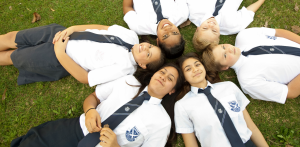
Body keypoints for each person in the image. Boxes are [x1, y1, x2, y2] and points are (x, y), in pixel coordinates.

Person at [11, 63, 184, 147]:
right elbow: (93, 97)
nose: (163, 77)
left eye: (170, 78)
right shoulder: (128, 81)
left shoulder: (163, 122)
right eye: (162, 72)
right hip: (76, 130)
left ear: (172, 90)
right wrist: (90, 110)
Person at [0, 23, 165, 86]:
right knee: (12, 38)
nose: (145, 47)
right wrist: (72, 29)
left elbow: (86, 78)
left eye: (149, 54)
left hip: (58, 57)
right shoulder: (131, 36)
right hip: (61, 33)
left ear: (143, 65)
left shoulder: (124, 69)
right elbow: (100, 28)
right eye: (150, 45)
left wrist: (59, 52)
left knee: (13, 56)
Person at [202, 27, 300, 104]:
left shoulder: (244, 36)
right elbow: (290, 92)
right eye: (225, 55)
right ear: (225, 67)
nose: (229, 49)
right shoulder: (247, 80)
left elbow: (278, 32)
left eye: (224, 46)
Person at [174, 53, 268, 147]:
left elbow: (251, 127)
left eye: (197, 64)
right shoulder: (182, 105)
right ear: (183, 78)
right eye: (188, 69)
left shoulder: (229, 87)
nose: (195, 69)